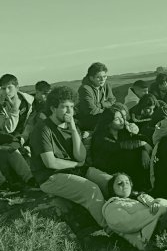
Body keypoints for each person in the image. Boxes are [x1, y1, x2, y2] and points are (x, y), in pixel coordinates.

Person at [29, 86, 112, 227]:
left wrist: (73, 128)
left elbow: (80, 157)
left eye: (72, 107)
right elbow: (50, 163)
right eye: (64, 107)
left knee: (111, 182)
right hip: (51, 176)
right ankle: (110, 228)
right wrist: (76, 165)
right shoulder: (42, 129)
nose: (69, 111)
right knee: (91, 190)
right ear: (53, 108)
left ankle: (127, 219)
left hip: (75, 170)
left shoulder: (71, 126)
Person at [91, 103, 152, 190]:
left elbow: (142, 138)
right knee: (130, 155)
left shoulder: (122, 131)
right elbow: (115, 146)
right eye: (117, 119)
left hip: (124, 165)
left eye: (122, 117)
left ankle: (144, 186)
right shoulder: (99, 136)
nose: (122, 121)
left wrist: (143, 150)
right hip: (108, 167)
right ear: (108, 123)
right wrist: (141, 144)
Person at [0, 73, 37, 142]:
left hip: (25, 136)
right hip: (5, 139)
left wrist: (23, 137)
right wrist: (15, 110)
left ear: (17, 87)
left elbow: (30, 123)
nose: (6, 91)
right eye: (3, 88)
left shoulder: (29, 100)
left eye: (9, 87)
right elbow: (7, 129)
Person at [76, 62, 117, 131]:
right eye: (98, 77)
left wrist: (101, 104)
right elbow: (92, 110)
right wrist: (108, 112)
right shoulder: (85, 89)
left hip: (101, 115)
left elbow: (112, 100)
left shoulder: (105, 84)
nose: (102, 79)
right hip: (88, 119)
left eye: (104, 76)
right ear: (91, 78)